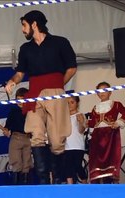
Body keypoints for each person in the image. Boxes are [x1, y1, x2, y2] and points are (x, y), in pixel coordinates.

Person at [5, 10, 77, 184]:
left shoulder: (60, 42)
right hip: (34, 94)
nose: (23, 30)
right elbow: (20, 73)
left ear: (34, 24)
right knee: (36, 134)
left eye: (24, 25)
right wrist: (12, 81)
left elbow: (72, 68)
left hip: (56, 93)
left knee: (57, 140)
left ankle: (57, 180)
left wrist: (58, 85)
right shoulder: (25, 49)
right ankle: (44, 181)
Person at [88, 82, 125, 184]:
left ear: (110, 92)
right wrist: (84, 122)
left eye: (105, 90)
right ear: (97, 93)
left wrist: (118, 122)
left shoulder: (116, 104)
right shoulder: (95, 108)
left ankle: (110, 180)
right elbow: (93, 123)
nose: (102, 93)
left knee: (111, 157)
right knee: (96, 158)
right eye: (99, 91)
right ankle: (98, 180)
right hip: (97, 136)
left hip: (110, 135)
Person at [2, 88, 32, 185]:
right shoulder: (13, 111)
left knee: (27, 162)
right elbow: (7, 126)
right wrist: (6, 131)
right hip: (16, 137)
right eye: (18, 99)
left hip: (28, 138)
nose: (20, 102)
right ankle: (16, 185)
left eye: (22, 99)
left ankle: (25, 184)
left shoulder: (30, 112)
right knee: (16, 161)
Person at [64, 96, 87, 184]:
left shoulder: (80, 115)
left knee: (78, 166)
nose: (69, 104)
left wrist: (81, 122)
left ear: (77, 103)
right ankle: (70, 187)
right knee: (67, 167)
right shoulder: (64, 117)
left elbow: (81, 130)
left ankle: (85, 185)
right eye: (67, 103)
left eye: (72, 102)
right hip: (66, 146)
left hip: (77, 146)